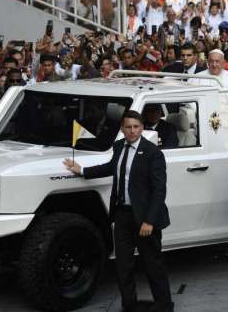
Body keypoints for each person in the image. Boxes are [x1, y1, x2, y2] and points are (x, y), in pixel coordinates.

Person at [63, 111, 173, 312]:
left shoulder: (152, 153)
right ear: (122, 129)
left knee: (152, 264)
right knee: (123, 265)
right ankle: (129, 305)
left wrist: (149, 221)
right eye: (128, 127)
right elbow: (111, 167)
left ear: (142, 128)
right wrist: (83, 170)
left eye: (136, 127)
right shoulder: (118, 147)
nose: (132, 131)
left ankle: (165, 305)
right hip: (122, 215)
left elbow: (159, 190)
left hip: (145, 217)